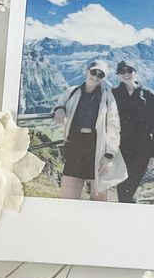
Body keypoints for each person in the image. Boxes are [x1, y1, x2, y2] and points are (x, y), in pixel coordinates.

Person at [53, 59, 127, 201]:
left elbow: (113, 126)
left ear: (104, 78)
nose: (96, 76)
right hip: (74, 145)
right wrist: (59, 109)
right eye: (94, 72)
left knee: (98, 195)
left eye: (100, 75)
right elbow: (60, 103)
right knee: (69, 192)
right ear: (87, 71)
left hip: (96, 146)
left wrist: (109, 155)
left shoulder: (107, 97)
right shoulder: (72, 91)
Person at [111, 60, 154, 203]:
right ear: (118, 75)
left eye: (129, 70)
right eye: (122, 71)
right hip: (119, 150)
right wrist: (60, 108)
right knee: (123, 189)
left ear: (135, 72)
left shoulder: (149, 95)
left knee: (130, 187)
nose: (126, 74)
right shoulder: (113, 94)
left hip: (142, 151)